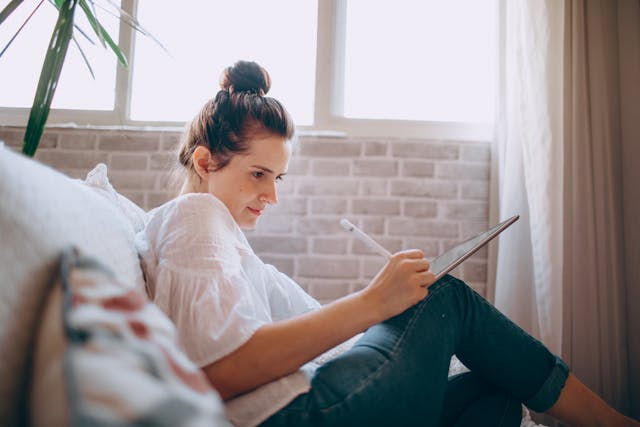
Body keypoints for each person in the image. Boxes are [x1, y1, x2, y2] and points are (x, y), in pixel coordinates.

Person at [135, 60, 639, 427]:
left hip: (312, 399)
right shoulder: (194, 216)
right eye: (259, 174)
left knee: (491, 396)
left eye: (279, 178)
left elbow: (313, 339)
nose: (271, 195)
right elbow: (219, 371)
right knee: (446, 297)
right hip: (292, 415)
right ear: (204, 163)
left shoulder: (226, 243)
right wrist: (376, 302)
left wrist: (410, 328)